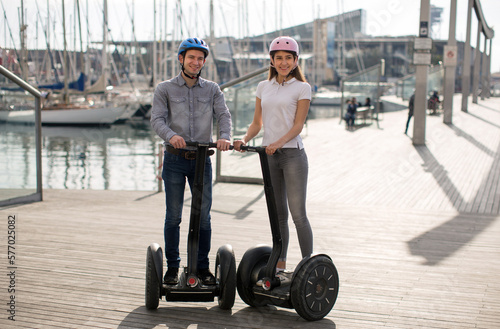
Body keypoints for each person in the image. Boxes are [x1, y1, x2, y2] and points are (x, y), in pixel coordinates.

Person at [150, 37, 232, 285]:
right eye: (191, 58)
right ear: (181, 59)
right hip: (174, 160)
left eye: (200, 58)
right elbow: (157, 120)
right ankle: (173, 268)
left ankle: (203, 267)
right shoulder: (164, 89)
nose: (196, 62)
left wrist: (225, 137)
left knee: (203, 217)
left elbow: (224, 116)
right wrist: (171, 135)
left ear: (204, 61)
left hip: (201, 162)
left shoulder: (212, 89)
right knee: (173, 216)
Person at [233, 36, 313, 285]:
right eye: (279, 58)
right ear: (271, 60)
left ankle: (308, 264)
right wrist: (244, 138)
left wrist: (278, 142)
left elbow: (298, 125)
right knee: (278, 216)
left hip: (292, 155)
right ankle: (280, 267)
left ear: (296, 60)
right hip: (270, 156)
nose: (283, 62)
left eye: (288, 58)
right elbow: (258, 123)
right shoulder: (262, 87)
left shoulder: (302, 88)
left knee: (298, 214)